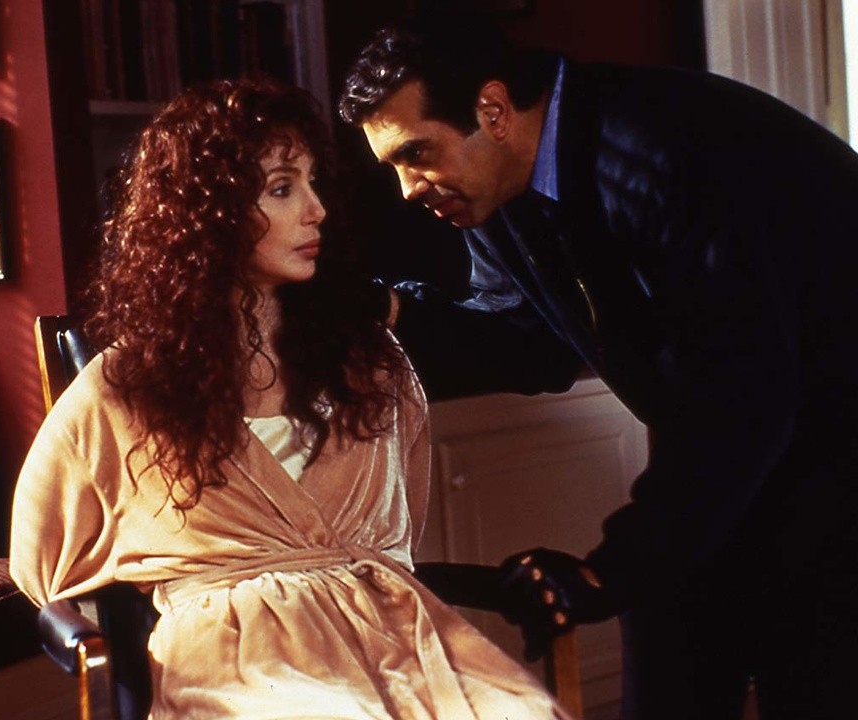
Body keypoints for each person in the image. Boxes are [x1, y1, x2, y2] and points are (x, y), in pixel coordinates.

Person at [338, 7, 858, 719]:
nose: (408, 188)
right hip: (732, 451)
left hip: (832, 452)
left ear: (492, 111)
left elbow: (743, 399)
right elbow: (528, 342)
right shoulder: (497, 189)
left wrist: (607, 571)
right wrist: (385, 310)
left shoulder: (662, 151)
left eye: (416, 153)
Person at [9, 78, 570, 719]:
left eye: (311, 183)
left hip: (391, 634)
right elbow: (41, 561)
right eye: (282, 188)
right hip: (238, 661)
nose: (316, 209)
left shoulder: (369, 361)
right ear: (209, 212)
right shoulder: (130, 384)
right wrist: (166, 575)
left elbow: (401, 532)